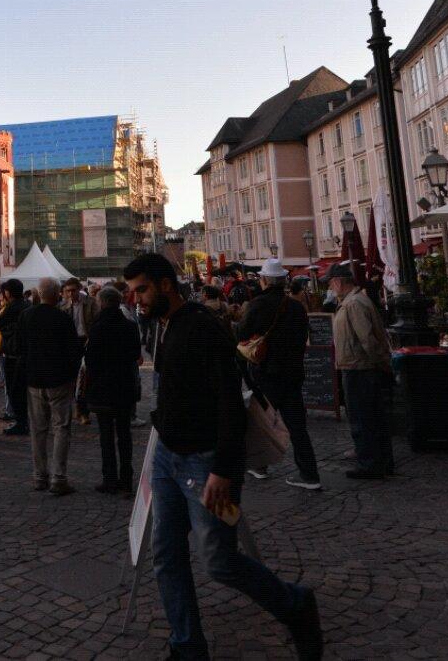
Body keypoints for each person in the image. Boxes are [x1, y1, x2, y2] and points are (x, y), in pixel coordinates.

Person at [122, 253, 322, 661]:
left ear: (164, 284)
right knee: (166, 555)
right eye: (131, 291)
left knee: (220, 561)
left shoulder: (200, 327)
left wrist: (225, 469)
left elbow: (230, 401)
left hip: (204, 463)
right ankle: (187, 646)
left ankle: (295, 605)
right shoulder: (166, 325)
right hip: (167, 458)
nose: (136, 299)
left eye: (141, 289)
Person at [235, 258, 320, 491]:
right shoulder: (296, 307)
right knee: (297, 426)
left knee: (262, 422)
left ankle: (260, 466)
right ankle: (309, 473)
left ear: (264, 280)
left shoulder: (258, 305)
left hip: (266, 373)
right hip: (292, 373)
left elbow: (241, 333)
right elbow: (304, 336)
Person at [328, 262, 394, 481]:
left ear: (338, 282)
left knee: (362, 418)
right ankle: (381, 459)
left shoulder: (354, 304)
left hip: (359, 368)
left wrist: (379, 364)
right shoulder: (353, 301)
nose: (330, 288)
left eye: (330, 283)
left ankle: (370, 462)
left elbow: (367, 339)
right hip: (359, 366)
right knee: (371, 416)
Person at [19, 278, 84, 497]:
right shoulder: (62, 318)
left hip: (34, 380)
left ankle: (39, 476)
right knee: (61, 428)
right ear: (57, 294)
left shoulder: (27, 315)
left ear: (38, 293)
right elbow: (73, 350)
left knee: (38, 430)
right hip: (59, 380)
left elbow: (19, 347)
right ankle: (58, 477)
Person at [83, 285, 140, 494]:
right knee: (125, 435)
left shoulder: (98, 327)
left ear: (102, 302)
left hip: (103, 388)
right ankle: (126, 478)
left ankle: (110, 478)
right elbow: (135, 354)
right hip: (124, 386)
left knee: (106, 436)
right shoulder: (130, 325)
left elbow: (91, 360)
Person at [0, 279, 30, 436]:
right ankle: (23, 421)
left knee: (14, 390)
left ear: (8, 292)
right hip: (25, 352)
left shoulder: (12, 307)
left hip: (13, 353)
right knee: (21, 389)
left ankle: (21, 423)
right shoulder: (27, 304)